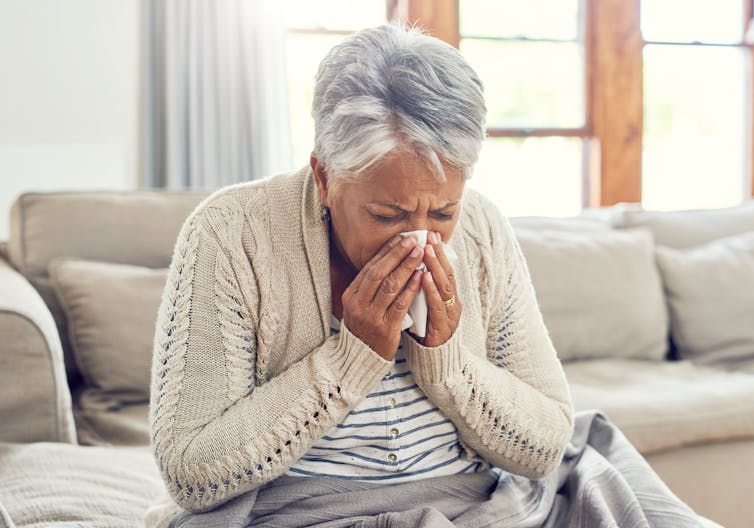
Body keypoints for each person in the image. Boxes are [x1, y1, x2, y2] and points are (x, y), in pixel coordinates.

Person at [145, 23, 709, 528]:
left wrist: (448, 362)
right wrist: (350, 360)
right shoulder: (230, 234)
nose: (420, 241)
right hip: (306, 511)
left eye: (442, 213)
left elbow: (544, 442)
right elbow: (193, 472)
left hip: (484, 506)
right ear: (324, 176)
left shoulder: (484, 225)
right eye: (386, 215)